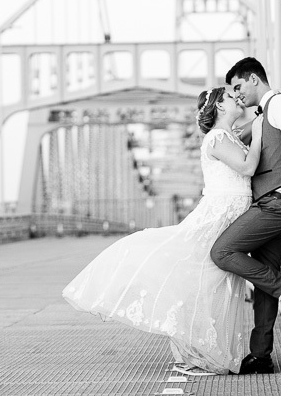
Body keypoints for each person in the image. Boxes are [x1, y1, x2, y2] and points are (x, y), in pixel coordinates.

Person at [62, 86, 261, 374]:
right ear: (219, 106)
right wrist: (260, 129)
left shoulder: (228, 135)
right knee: (205, 280)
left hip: (229, 215)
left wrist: (255, 125)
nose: (237, 99)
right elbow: (247, 167)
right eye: (231, 97)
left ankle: (209, 350)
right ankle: (201, 351)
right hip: (218, 216)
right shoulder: (218, 137)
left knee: (219, 281)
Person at [210, 57, 281, 375]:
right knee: (263, 280)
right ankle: (261, 355)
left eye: (238, 86)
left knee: (222, 252)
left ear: (254, 79)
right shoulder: (262, 115)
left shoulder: (278, 104)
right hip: (268, 202)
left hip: (277, 202)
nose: (236, 95)